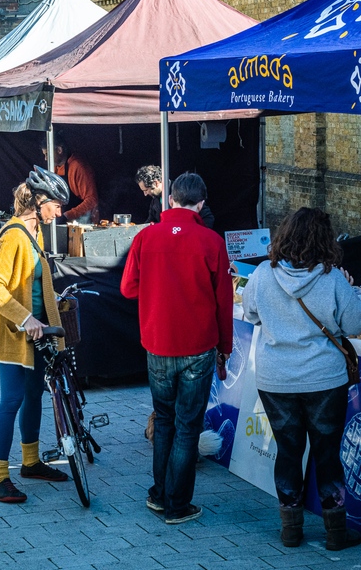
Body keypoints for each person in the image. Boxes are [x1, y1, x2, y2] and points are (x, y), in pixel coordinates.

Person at [242, 207, 361, 551]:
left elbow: (250, 313)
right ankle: (335, 533)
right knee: (327, 453)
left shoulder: (263, 275)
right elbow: (357, 323)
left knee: (288, 450)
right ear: (324, 241)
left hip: (275, 379)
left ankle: (291, 531)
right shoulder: (333, 279)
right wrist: (347, 289)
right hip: (323, 379)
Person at [121, 173, 233, 525]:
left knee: (166, 420)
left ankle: (160, 495)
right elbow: (224, 303)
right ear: (201, 204)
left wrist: (158, 292)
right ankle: (176, 503)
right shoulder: (212, 241)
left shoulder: (145, 237)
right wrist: (225, 349)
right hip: (197, 346)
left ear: (170, 199)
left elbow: (127, 289)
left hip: (158, 343)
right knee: (187, 425)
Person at [0, 168, 72, 504]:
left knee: (33, 395)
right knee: (12, 400)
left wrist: (48, 307)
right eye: (57, 206)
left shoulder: (34, 231)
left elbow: (32, 281)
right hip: (12, 334)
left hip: (34, 334)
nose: (59, 212)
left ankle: (31, 462)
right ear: (39, 202)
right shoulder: (14, 235)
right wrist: (25, 317)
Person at [40, 132, 99, 223]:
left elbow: (92, 200)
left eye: (47, 154)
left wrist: (67, 215)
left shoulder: (78, 167)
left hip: (81, 222)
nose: (46, 159)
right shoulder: (54, 168)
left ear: (59, 150)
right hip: (61, 218)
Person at [135, 165, 215, 229]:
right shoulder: (155, 200)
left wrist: (196, 237)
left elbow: (207, 217)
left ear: (156, 183)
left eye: (146, 190)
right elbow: (150, 221)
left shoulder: (181, 190)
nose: (145, 194)